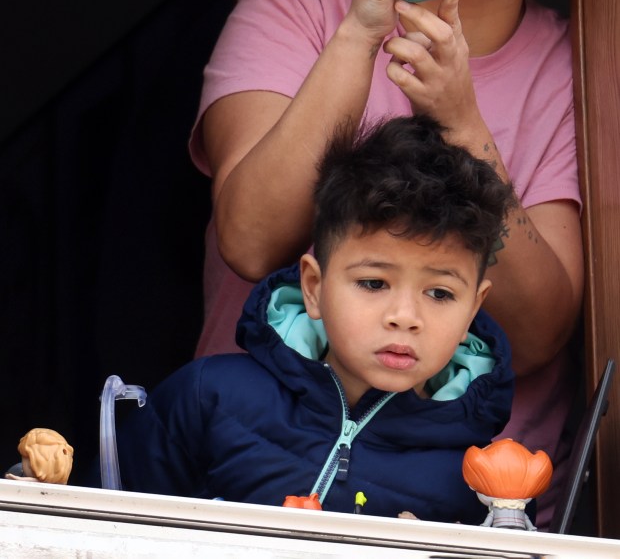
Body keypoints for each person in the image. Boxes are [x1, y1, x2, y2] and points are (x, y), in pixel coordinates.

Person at [189, 0, 590, 526]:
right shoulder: (295, 4)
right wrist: (364, 28)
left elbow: (535, 336)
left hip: (468, 515)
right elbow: (249, 239)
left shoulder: (578, 72)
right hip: (254, 490)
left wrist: (461, 117)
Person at [107, 116, 515, 522]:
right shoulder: (207, 398)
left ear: (472, 312)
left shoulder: (484, 481)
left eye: (440, 293)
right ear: (314, 287)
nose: (404, 317)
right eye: (374, 283)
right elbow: (98, 531)